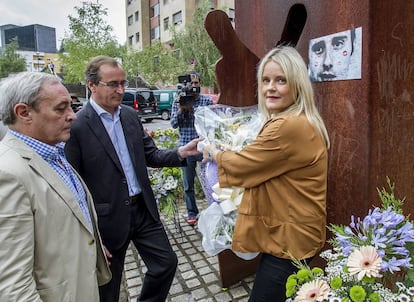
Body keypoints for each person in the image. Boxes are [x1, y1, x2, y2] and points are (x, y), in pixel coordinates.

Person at [64, 55, 201, 302]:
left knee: (166, 264)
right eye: (113, 84)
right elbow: (71, 185)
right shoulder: (77, 126)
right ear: (91, 85)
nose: (121, 90)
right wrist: (89, 235)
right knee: (109, 287)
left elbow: (151, 154)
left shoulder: (128, 115)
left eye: (123, 83)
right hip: (107, 219)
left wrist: (181, 152)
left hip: (143, 210)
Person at [203, 46, 330, 302]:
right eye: (265, 80)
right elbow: (264, 161)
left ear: (297, 84)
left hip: (290, 241)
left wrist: (213, 151)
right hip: (295, 233)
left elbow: (242, 167)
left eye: (281, 80)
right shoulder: (299, 119)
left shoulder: (287, 125)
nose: (271, 87)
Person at [0, 72, 111, 301]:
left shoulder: (52, 152)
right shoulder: (9, 173)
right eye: (61, 109)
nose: (73, 116)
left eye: (71, 107)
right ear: (24, 113)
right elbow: (13, 287)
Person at [170, 71, 213, 225]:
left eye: (196, 83)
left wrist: (193, 110)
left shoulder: (206, 101)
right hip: (186, 149)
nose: (194, 86)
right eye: (191, 83)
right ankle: (191, 213)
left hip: (203, 149)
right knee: (188, 185)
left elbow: (211, 123)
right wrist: (182, 109)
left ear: (200, 84)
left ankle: (214, 210)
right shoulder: (178, 100)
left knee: (210, 181)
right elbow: (173, 124)